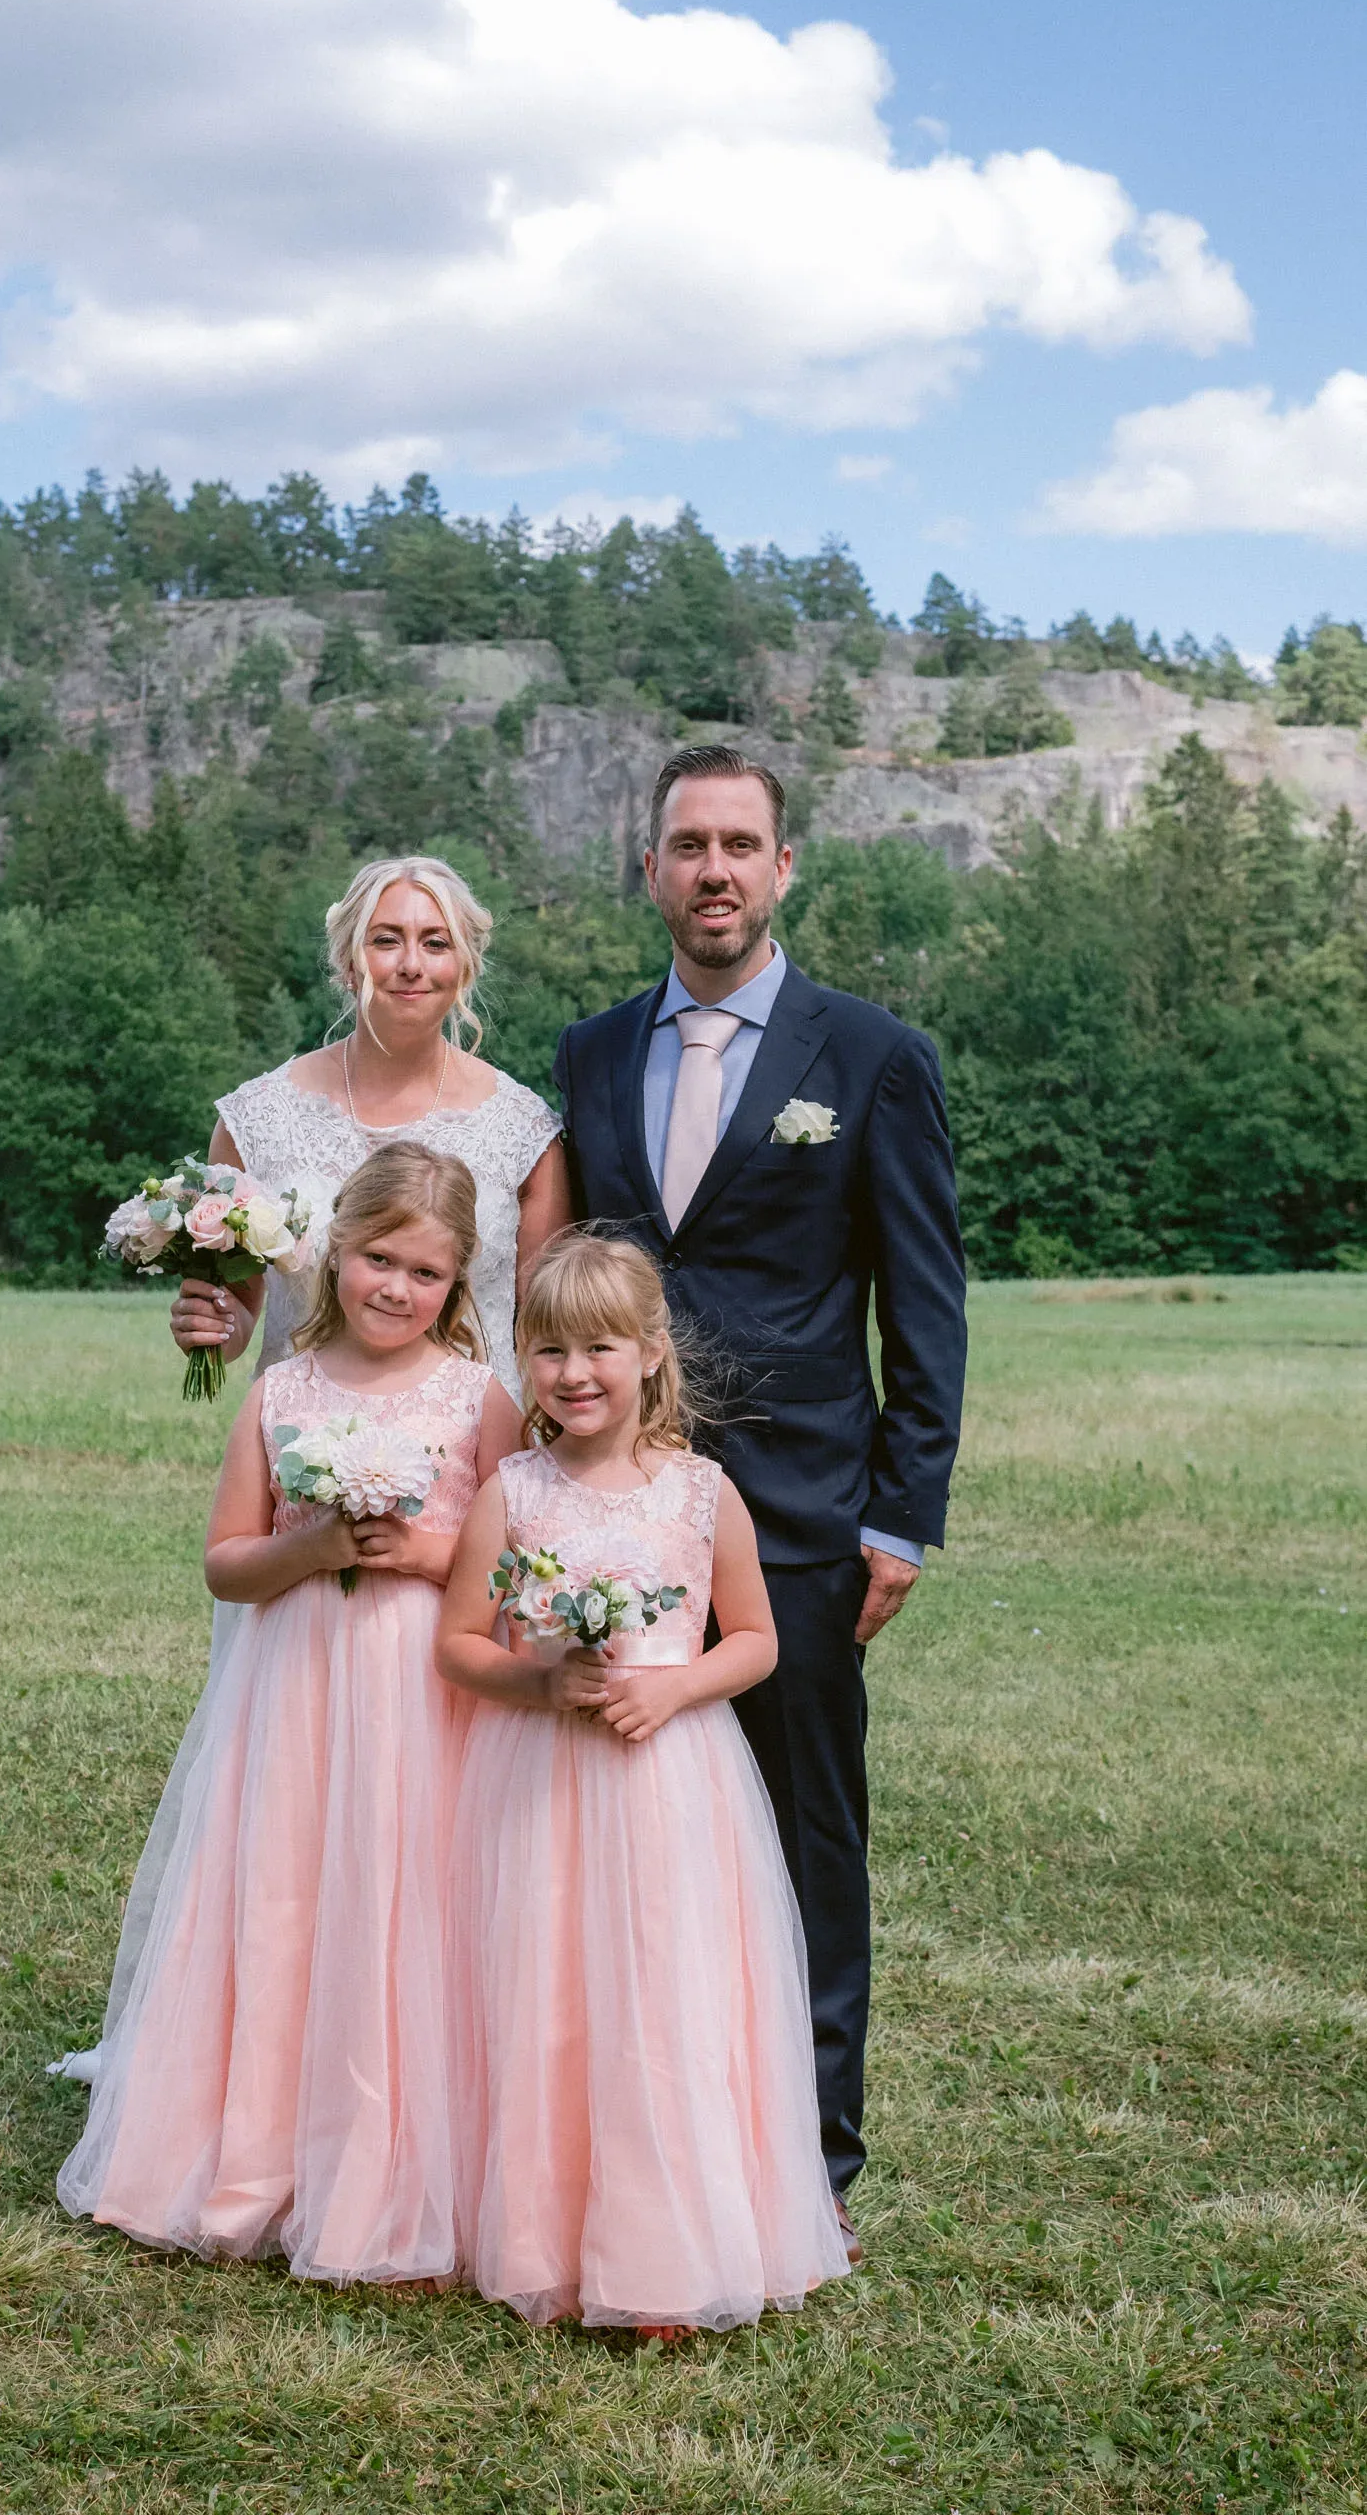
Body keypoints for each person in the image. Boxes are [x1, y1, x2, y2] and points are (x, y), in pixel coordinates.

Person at [551, 746, 968, 2242]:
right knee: (618, 1822)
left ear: (782, 868)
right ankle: (632, 2135)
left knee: (804, 1844)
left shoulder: (868, 1057)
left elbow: (923, 1304)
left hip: (796, 1518)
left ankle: (811, 2170)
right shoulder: (589, 1053)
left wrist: (896, 1512)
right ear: (648, 870)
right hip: (619, 1507)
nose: (712, 869)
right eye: (686, 845)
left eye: (740, 844)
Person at [57, 1146, 524, 2282]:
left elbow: (516, 1570)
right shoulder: (284, 1391)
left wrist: (420, 1553)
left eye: (425, 1271)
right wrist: (307, 1547)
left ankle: (395, 2164)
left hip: (422, 1697)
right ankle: (255, 2150)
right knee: (283, 1896)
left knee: (400, 1902)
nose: (395, 1288)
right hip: (296, 1691)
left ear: (458, 1284)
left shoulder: (481, 1400)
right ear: (334, 1256)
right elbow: (225, 1562)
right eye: (377, 1259)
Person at [438, 1233, 852, 2337]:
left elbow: (756, 1640)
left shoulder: (704, 1493)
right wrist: (539, 1679)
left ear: (653, 1353)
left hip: (671, 1778)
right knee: (549, 1992)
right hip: (543, 1782)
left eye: (599, 1347)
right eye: (547, 1351)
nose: (573, 1373)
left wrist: (674, 1691)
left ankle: (667, 2245)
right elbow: (457, 1646)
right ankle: (544, 2234)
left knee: (664, 1997)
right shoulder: (510, 1493)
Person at [169, 854, 570, 1397]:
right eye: (385, 940)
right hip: (305, 1450)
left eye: (436, 943)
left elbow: (546, 1331)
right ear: (348, 962)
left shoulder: (526, 1133)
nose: (411, 964)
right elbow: (240, 1314)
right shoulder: (256, 1121)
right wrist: (212, 1324)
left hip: (476, 1448)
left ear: (464, 965)